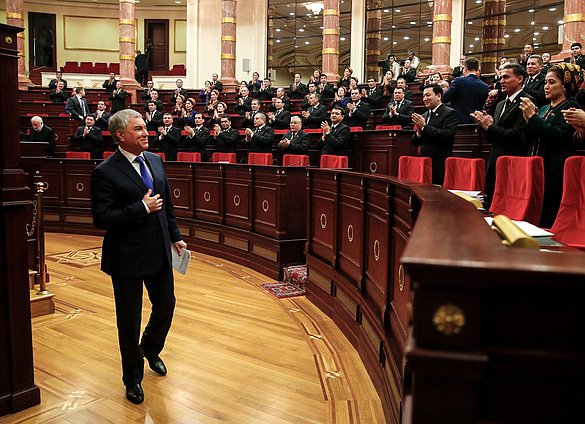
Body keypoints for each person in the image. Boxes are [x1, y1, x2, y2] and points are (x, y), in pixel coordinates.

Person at [91, 109, 187, 405]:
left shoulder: (155, 160)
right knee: (128, 320)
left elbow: (166, 204)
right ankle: (132, 377)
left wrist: (176, 236)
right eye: (139, 128)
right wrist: (141, 209)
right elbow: (101, 217)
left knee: (166, 305)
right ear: (121, 135)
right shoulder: (105, 171)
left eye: (146, 127)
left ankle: (150, 348)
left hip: (158, 250)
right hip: (127, 257)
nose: (146, 132)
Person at [519, 63, 583, 227]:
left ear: (565, 86)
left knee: (550, 212)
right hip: (537, 164)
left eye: (552, 82)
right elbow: (530, 138)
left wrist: (532, 118)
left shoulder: (571, 106)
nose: (546, 87)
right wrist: (529, 120)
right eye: (546, 82)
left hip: (555, 166)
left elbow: (556, 136)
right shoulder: (544, 108)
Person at [470, 63, 532, 205]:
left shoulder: (526, 101)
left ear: (520, 79)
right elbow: (493, 136)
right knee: (492, 204)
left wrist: (490, 126)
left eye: (506, 77)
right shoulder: (500, 104)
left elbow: (518, 136)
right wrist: (484, 125)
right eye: (500, 77)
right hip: (494, 160)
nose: (501, 81)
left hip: (513, 162)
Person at [411, 84, 458, 185]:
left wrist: (424, 127)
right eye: (423, 96)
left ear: (438, 96)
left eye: (428, 95)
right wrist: (419, 132)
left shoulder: (449, 113)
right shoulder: (424, 115)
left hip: (440, 164)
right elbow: (415, 142)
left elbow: (447, 136)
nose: (425, 99)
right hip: (424, 163)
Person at [442, 57, 489, 124]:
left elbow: (444, 99)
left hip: (457, 121)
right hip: (475, 123)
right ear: (477, 69)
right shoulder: (485, 86)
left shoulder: (458, 81)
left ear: (465, 69)